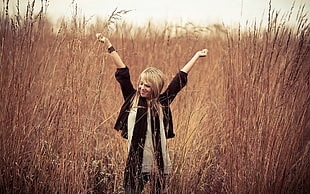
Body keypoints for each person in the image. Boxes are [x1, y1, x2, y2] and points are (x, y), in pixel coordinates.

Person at [96, 33, 208, 194]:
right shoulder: (132, 98)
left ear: (155, 87)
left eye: (147, 85)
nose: (142, 87)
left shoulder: (162, 102)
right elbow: (123, 71)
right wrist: (108, 44)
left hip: (159, 164)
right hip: (136, 164)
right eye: (141, 83)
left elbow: (180, 79)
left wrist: (196, 56)